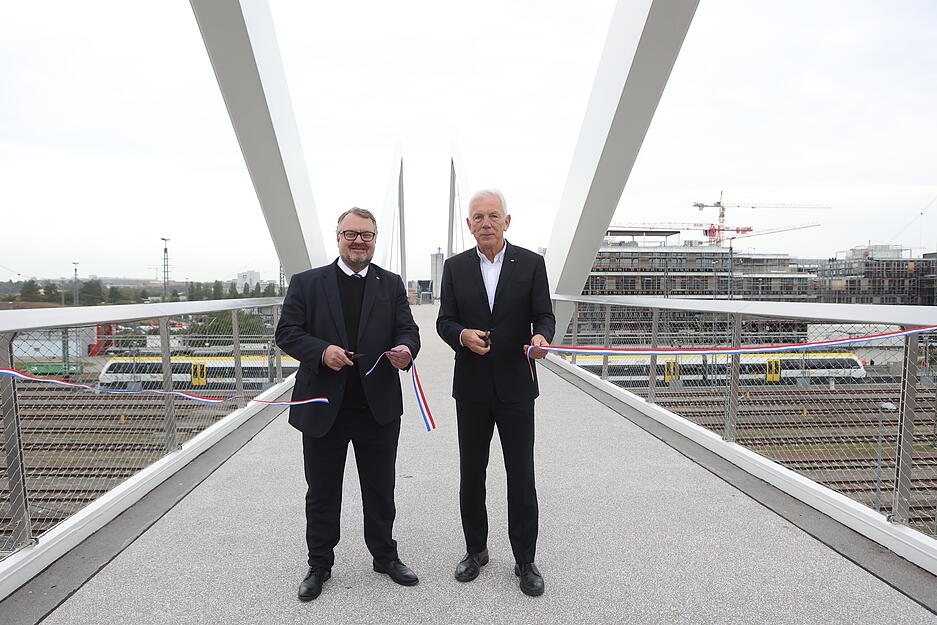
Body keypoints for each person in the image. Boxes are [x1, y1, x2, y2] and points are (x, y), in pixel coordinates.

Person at [276, 207, 421, 601]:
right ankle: (319, 563)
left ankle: (384, 556)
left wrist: (407, 349)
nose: (359, 241)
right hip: (324, 406)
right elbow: (287, 333)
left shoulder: (390, 284)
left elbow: (408, 329)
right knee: (322, 491)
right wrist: (322, 352)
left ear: (375, 239)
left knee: (380, 488)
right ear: (337, 236)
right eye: (351, 234)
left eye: (367, 235)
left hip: (378, 406)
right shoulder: (308, 283)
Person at [436, 189, 555, 597]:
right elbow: (444, 321)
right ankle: (476, 550)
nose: (485, 223)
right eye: (478, 217)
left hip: (516, 385)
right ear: (469, 225)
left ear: (507, 221)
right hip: (470, 387)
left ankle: (525, 559)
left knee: (521, 474)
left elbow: (544, 314)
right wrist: (461, 335)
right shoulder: (454, 268)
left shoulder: (532, 264)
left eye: (493, 216)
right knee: (472, 473)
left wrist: (542, 336)